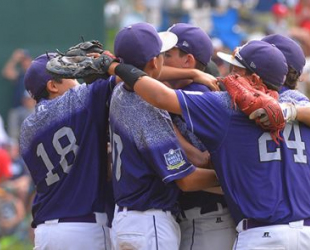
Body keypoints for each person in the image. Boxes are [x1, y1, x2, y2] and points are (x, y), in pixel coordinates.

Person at [108, 39, 310, 249]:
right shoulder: (298, 102)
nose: (229, 77)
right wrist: (294, 111)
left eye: (236, 70)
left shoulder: (226, 107)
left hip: (261, 235)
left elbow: (160, 96)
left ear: (255, 78)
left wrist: (115, 67)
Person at [108, 22, 219, 250]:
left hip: (126, 220)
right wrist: (233, 177)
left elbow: (134, 74)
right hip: (149, 221)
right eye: (162, 54)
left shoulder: (118, 90)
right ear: (154, 62)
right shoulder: (149, 105)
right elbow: (186, 180)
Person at [19, 52, 116, 249]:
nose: (76, 78)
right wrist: (108, 62)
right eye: (69, 74)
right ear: (52, 85)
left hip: (45, 232)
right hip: (84, 227)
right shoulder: (78, 100)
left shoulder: (26, 129)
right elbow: (123, 78)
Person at [164, 23, 236, 250]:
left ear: (188, 61)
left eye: (167, 55)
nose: (159, 60)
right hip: (207, 220)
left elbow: (203, 162)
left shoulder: (199, 97)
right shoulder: (190, 92)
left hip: (207, 220)